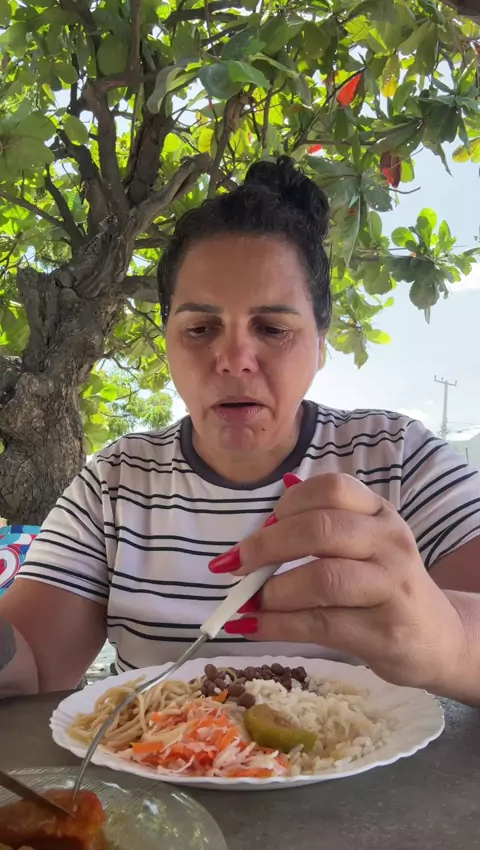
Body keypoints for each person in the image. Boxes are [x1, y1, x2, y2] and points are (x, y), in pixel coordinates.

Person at [1, 157, 479, 704]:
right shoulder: (115, 482)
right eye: (200, 328)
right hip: (147, 761)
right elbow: (31, 672)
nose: (233, 360)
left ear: (321, 345)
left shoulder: (399, 459)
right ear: (167, 340)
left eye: (272, 328)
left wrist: (447, 640)